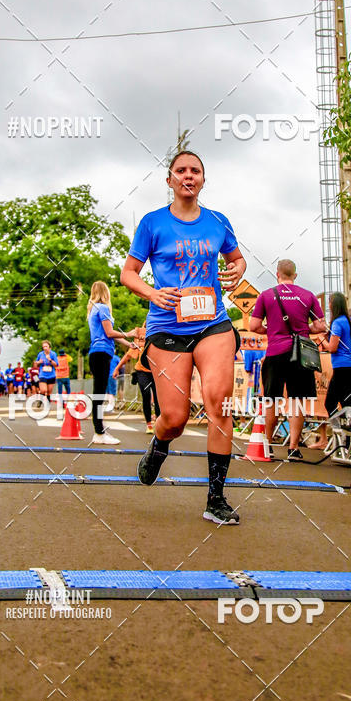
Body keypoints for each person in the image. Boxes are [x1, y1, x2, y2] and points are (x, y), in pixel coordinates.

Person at [121, 150, 246, 526]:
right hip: (167, 328)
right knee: (174, 418)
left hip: (213, 323)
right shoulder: (152, 223)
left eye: (195, 171)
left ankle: (216, 499)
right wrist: (151, 293)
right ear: (170, 179)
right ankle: (159, 446)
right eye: (181, 171)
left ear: (203, 180)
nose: (188, 176)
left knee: (219, 403)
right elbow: (129, 273)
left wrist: (236, 270)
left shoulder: (217, 221)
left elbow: (237, 258)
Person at [250, 259, 327, 461]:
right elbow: (320, 326)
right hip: (300, 354)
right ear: (295, 275)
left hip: (275, 352)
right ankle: (293, 448)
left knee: (271, 400)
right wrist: (304, 331)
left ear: (277, 274)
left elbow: (253, 326)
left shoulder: (266, 296)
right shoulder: (308, 296)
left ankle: (267, 445)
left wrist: (273, 331)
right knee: (297, 401)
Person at [87, 281, 135, 445]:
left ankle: (99, 429)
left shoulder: (93, 309)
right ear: (105, 293)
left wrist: (129, 344)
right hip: (102, 353)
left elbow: (108, 334)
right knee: (99, 393)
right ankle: (99, 432)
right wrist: (129, 334)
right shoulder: (103, 308)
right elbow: (109, 332)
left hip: (96, 353)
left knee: (98, 392)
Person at [312, 292, 351, 450]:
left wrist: (322, 339)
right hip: (349, 366)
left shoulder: (337, 322)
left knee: (330, 402)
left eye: (329, 303)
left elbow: (333, 347)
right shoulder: (350, 321)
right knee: (346, 402)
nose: (328, 306)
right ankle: (348, 437)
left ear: (334, 305)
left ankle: (341, 433)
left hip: (341, 365)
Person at [113, 330, 160, 432]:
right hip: (142, 371)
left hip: (156, 372)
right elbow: (129, 355)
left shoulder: (160, 335)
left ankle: (159, 423)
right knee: (146, 395)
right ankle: (149, 424)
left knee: (158, 398)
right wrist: (117, 368)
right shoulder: (140, 335)